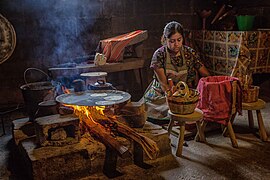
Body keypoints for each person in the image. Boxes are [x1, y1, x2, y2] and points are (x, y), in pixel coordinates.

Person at [144, 21, 210, 121]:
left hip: (185, 93)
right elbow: (164, 84)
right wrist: (176, 98)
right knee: (168, 111)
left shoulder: (190, 53)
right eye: (172, 41)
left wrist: (212, 84)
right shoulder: (159, 55)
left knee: (198, 108)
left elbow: (205, 74)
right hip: (163, 94)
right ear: (165, 39)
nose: (176, 44)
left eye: (179, 40)